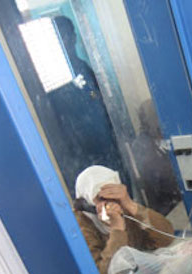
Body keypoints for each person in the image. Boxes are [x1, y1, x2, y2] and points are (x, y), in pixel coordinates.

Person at [48, 16, 129, 195]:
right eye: (60, 37)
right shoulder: (53, 81)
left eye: (68, 36)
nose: (66, 41)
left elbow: (105, 108)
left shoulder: (84, 68)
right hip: (81, 158)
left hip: (107, 149)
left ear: (74, 37)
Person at [73, 165, 174, 274]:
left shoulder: (123, 208)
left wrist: (131, 206)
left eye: (114, 195)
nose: (111, 202)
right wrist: (117, 230)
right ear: (87, 204)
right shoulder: (80, 229)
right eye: (101, 198)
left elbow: (166, 237)